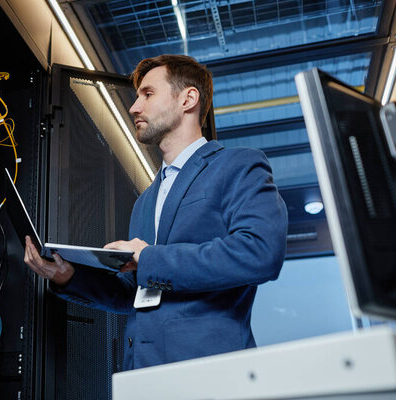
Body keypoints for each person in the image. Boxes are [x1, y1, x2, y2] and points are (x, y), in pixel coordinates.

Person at [24, 54, 288, 370]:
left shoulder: (238, 165)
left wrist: (147, 258)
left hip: (211, 371)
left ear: (188, 99)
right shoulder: (145, 201)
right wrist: (67, 277)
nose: (135, 107)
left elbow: (260, 253)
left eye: (148, 94)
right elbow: (135, 294)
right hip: (142, 372)